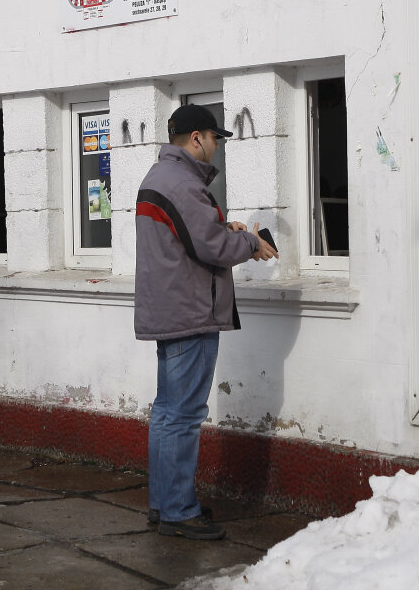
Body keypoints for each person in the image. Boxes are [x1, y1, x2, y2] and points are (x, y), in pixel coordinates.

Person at [134, 104, 278, 540]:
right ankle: (179, 510)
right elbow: (211, 248)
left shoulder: (160, 178)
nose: (217, 147)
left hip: (172, 310)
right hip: (191, 314)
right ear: (196, 138)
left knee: (166, 414)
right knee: (183, 415)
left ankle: (164, 505)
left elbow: (193, 236)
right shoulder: (182, 184)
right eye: (216, 138)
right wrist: (250, 242)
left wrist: (224, 228)